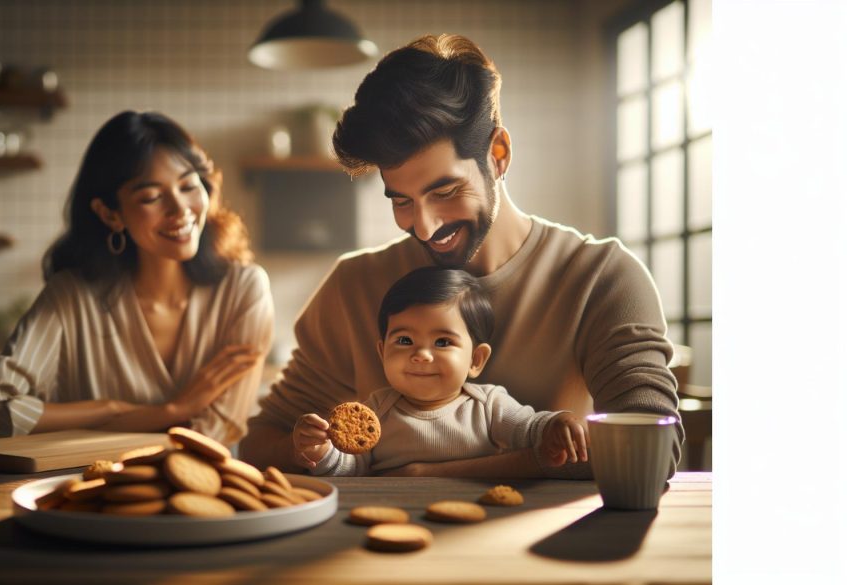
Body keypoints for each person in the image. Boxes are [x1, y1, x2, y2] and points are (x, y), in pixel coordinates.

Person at [241, 34, 682, 479]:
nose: (426, 226)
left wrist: (426, 476)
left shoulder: (601, 279)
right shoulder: (353, 286)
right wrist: (311, 448)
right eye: (401, 201)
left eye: (446, 192)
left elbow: (652, 451)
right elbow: (260, 443)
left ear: (498, 154)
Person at [0, 111, 274, 446]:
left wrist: (118, 422)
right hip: (81, 492)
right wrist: (160, 411)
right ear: (110, 213)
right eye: (151, 197)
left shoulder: (244, 290)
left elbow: (211, 437)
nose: (180, 208)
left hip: (199, 491)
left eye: (188, 185)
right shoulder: (71, 297)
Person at [293, 267, 588, 476]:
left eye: (443, 342)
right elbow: (353, 468)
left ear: (476, 360)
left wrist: (556, 425)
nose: (421, 355)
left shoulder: (488, 406)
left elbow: (530, 430)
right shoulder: (377, 410)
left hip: (477, 520)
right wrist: (321, 451)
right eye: (405, 341)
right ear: (383, 352)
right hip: (390, 514)